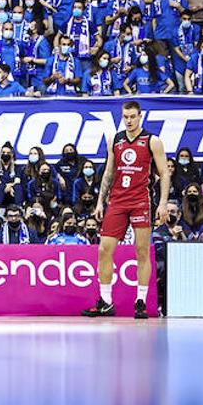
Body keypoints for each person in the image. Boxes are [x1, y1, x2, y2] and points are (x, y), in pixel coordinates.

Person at [83, 100, 171, 319]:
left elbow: (165, 174)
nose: (129, 121)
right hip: (117, 201)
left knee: (141, 251)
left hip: (141, 200)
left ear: (140, 116)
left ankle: (140, 301)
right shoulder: (116, 139)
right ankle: (105, 301)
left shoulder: (153, 141)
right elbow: (108, 172)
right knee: (104, 249)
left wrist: (162, 204)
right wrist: (100, 201)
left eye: (133, 116)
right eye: (126, 117)